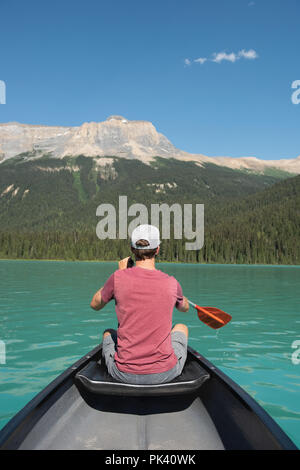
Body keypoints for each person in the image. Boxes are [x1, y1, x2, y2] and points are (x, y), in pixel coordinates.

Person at [90, 224, 189, 384]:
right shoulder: (171, 282)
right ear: (157, 249)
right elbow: (184, 308)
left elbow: (95, 304)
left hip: (123, 374)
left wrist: (121, 273)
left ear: (132, 249)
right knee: (181, 327)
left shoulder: (118, 278)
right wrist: (180, 297)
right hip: (165, 374)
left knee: (108, 332)